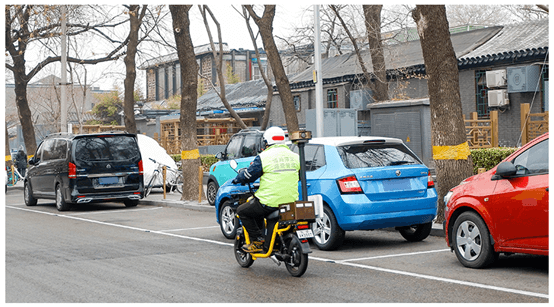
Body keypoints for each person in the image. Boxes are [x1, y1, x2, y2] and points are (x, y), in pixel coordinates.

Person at [232, 127, 300, 252]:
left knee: (242, 211)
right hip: (291, 202)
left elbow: (249, 175)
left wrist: (238, 179)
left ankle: (257, 241)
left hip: (269, 202)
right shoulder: (295, 156)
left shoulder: (264, 157)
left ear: (267, 142)